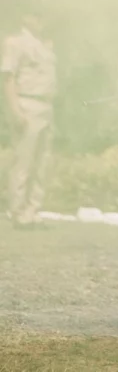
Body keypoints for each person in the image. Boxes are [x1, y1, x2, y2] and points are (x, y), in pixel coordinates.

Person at [4, 13, 57, 229]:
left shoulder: (45, 45)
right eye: (36, 16)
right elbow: (8, 78)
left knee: (41, 162)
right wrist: (15, 110)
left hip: (46, 105)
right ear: (25, 17)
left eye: (42, 16)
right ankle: (17, 211)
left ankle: (32, 209)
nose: (41, 21)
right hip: (27, 103)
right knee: (23, 161)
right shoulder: (15, 43)